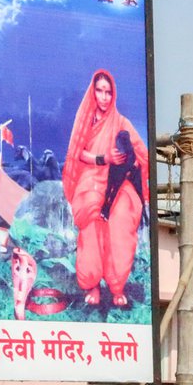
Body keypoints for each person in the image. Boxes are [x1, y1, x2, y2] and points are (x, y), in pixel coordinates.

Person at [62, 70, 148, 307]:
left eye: (108, 92)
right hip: (90, 179)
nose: (104, 97)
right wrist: (103, 158)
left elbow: (142, 155)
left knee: (120, 219)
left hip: (118, 184)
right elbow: (76, 153)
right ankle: (92, 284)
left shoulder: (121, 123)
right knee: (91, 219)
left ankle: (116, 285)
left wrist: (129, 161)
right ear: (93, 92)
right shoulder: (85, 121)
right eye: (99, 91)